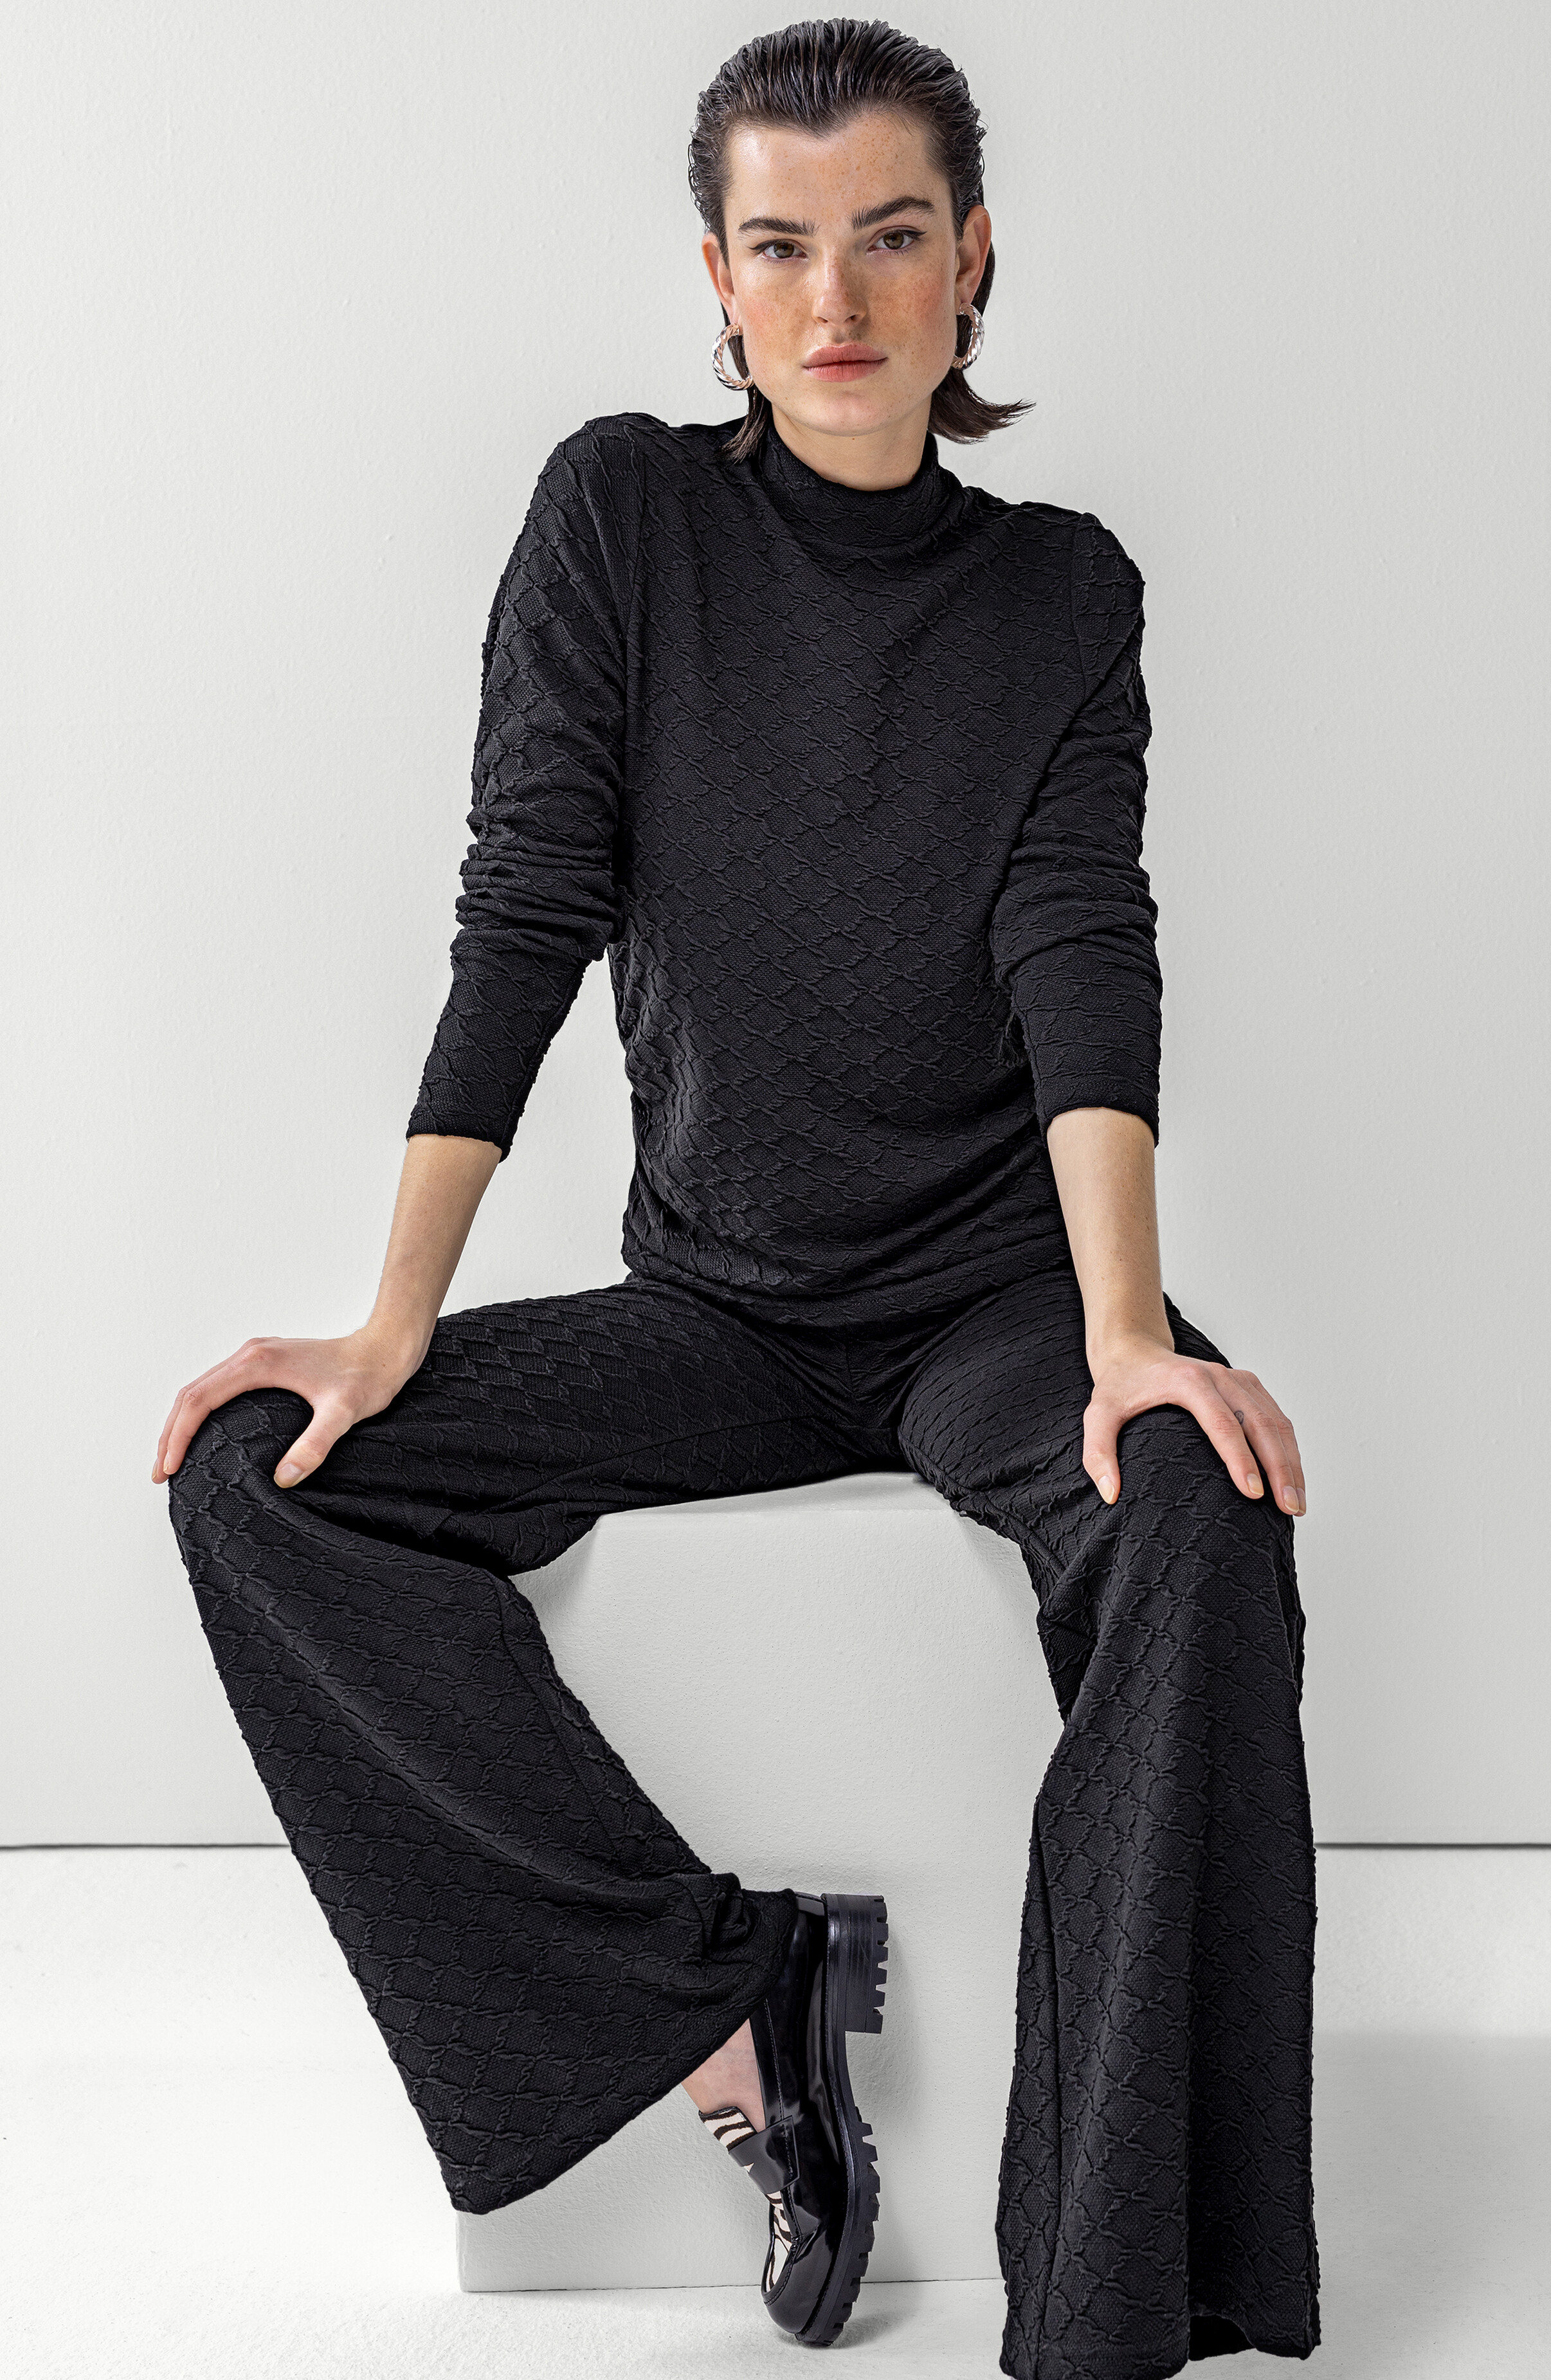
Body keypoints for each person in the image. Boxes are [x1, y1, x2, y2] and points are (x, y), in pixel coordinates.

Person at [154, 17, 1320, 2376]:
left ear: (971, 259)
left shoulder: (1061, 592)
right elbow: (525, 905)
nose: (838, 300)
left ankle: (1110, 2309)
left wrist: (1124, 1336)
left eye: (890, 237)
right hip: (719, 1309)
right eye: (781, 247)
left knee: (1199, 1512)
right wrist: (392, 1321)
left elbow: (1081, 947)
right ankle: (722, 2001)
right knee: (261, 1480)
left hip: (996, 1305)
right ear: (718, 275)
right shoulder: (623, 518)